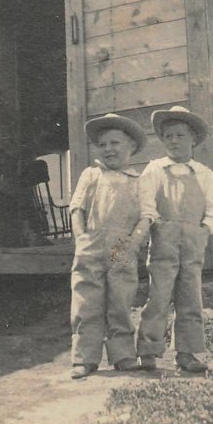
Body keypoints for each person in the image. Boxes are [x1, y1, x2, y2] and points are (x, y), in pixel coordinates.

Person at [135, 106, 213, 372]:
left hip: (193, 241)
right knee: (159, 295)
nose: (174, 141)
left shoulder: (204, 173)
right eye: (168, 135)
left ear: (193, 139)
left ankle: (186, 353)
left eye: (180, 135)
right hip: (164, 238)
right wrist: (157, 224)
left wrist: (204, 229)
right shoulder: (155, 169)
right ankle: (148, 351)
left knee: (190, 297)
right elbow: (146, 203)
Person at [69, 113, 149, 379]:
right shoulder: (91, 174)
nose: (108, 149)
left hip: (121, 246)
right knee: (86, 300)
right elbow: (76, 208)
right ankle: (84, 358)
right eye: (102, 145)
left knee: (121, 299)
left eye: (115, 143)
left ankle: (123, 355)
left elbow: (147, 216)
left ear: (131, 147)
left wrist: (134, 241)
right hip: (91, 241)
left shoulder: (137, 181)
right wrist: (80, 237)